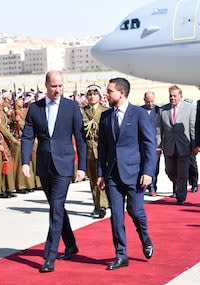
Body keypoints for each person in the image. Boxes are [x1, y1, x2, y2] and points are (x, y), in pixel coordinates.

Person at [21, 70, 87, 273]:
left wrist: (82, 167)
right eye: (53, 86)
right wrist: (25, 162)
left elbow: (80, 138)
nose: (57, 90)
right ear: (46, 86)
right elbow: (27, 137)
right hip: (44, 165)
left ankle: (49, 256)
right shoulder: (35, 108)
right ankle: (71, 244)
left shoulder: (72, 107)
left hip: (64, 165)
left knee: (56, 208)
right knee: (57, 207)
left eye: (60, 86)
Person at [97, 77, 155, 270]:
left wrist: (148, 172)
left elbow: (149, 144)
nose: (107, 94)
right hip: (113, 174)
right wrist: (101, 174)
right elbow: (102, 148)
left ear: (121, 93)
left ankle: (145, 238)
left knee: (136, 212)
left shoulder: (138, 114)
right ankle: (121, 255)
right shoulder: (105, 117)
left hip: (135, 173)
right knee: (116, 216)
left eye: (110, 91)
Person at [159, 85, 196, 205]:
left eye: (174, 96)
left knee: (183, 173)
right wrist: (159, 146)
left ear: (180, 96)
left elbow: (192, 127)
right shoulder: (163, 110)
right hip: (169, 146)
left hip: (184, 146)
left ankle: (181, 196)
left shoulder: (189, 108)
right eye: (170, 95)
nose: (172, 98)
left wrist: (194, 145)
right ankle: (178, 183)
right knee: (170, 171)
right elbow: (159, 130)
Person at [81, 84, 109, 218]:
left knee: (101, 177)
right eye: (90, 94)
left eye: (95, 94)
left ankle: (103, 205)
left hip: (101, 148)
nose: (92, 97)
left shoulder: (105, 111)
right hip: (88, 149)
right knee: (92, 179)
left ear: (99, 96)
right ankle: (96, 205)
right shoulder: (83, 111)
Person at [141, 91, 162, 196]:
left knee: (154, 167)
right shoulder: (139, 110)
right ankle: (144, 186)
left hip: (155, 145)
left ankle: (153, 187)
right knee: (142, 165)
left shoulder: (159, 111)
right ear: (144, 100)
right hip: (142, 144)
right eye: (148, 101)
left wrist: (160, 146)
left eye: (152, 101)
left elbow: (161, 130)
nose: (150, 104)